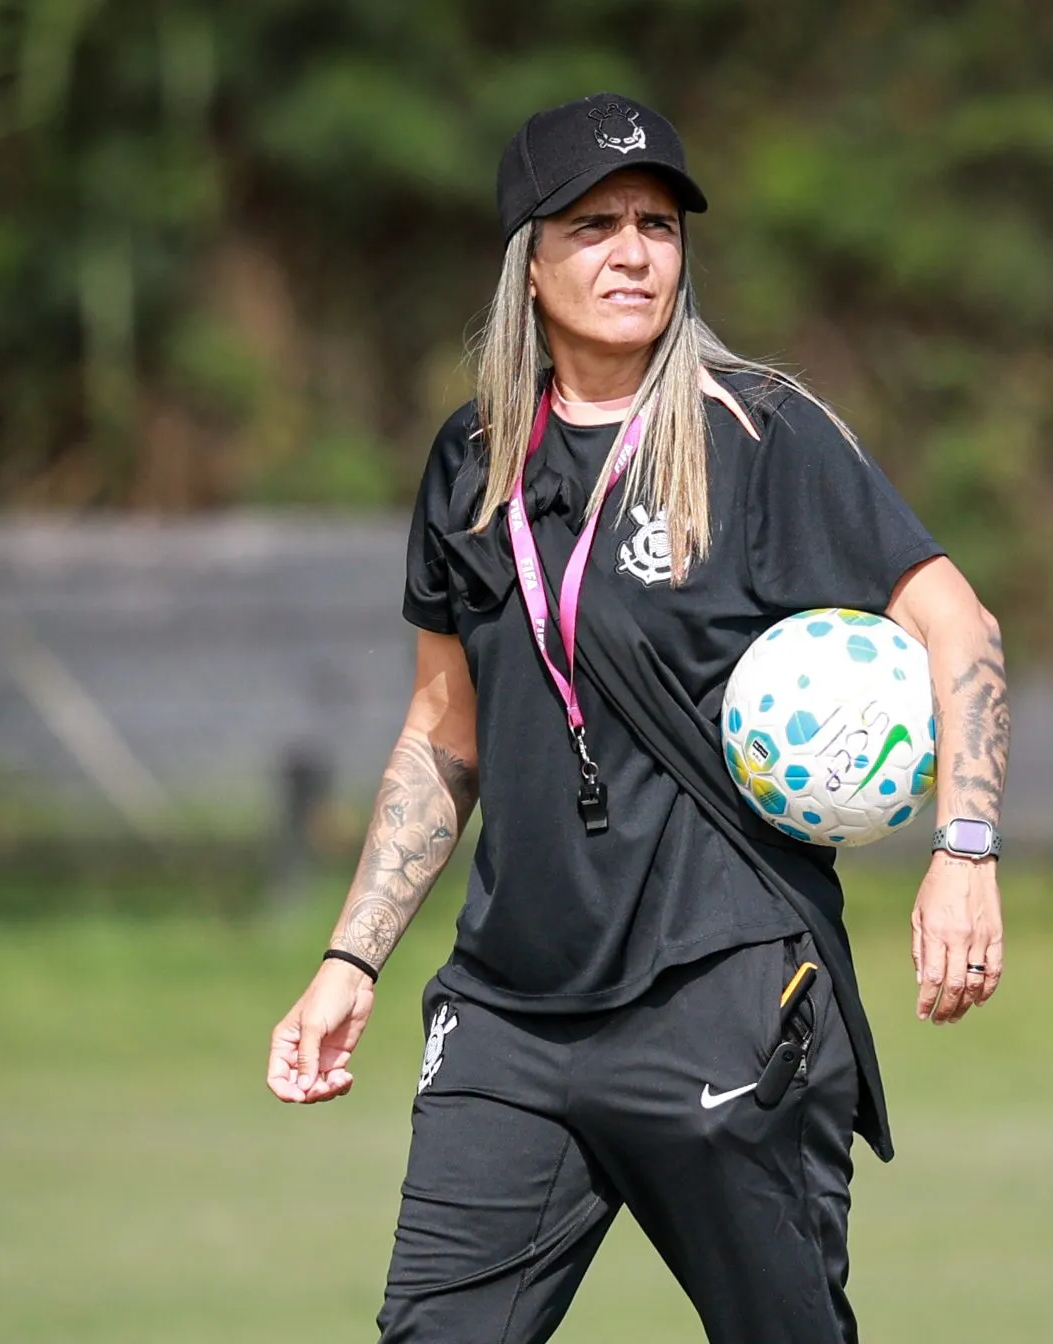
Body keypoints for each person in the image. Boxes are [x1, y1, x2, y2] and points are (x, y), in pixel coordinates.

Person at [266, 92, 1009, 1343]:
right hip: (511, 1010)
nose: (632, 252)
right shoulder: (471, 462)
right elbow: (441, 736)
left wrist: (965, 849)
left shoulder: (758, 432)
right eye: (593, 225)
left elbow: (960, 625)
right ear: (528, 261)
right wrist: (351, 960)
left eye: (656, 226)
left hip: (720, 988)